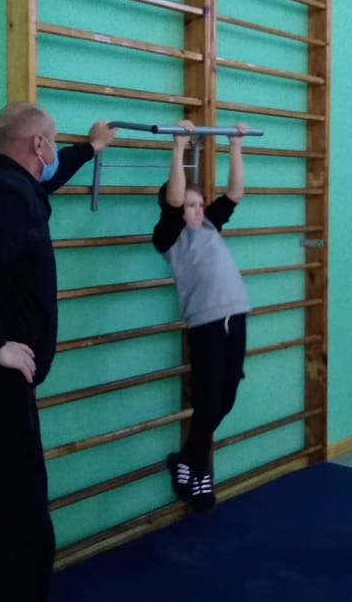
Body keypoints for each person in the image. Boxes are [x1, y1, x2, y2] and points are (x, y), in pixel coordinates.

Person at [0, 102, 116, 602]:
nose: (53, 150)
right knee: (17, 525)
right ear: (38, 145)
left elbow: (41, 184)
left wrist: (89, 148)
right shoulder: (8, 195)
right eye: (51, 141)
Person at [152, 120, 250, 513]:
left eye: (199, 204)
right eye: (188, 205)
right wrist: (178, 148)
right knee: (208, 403)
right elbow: (175, 200)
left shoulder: (210, 224)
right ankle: (199, 468)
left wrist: (235, 145)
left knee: (225, 400)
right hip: (207, 323)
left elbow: (235, 192)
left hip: (236, 315)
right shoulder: (169, 235)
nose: (195, 209)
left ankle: (189, 460)